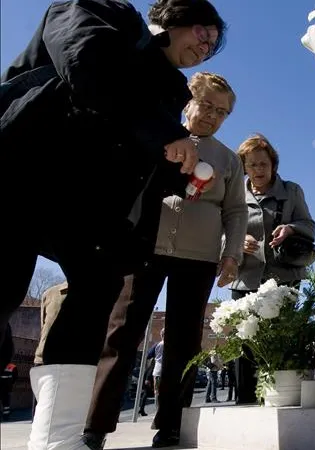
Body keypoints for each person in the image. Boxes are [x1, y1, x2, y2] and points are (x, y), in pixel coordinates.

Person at [0, 0, 227, 447]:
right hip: (21, 173)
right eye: (203, 33)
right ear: (173, 17)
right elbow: (87, 65)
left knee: (97, 289)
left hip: (89, 212)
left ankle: (58, 438)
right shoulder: (99, 12)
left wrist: (179, 177)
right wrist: (167, 134)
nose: (206, 47)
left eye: (214, 47)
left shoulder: (169, 92)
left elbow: (141, 158)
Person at [82, 71, 245, 449]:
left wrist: (232, 254)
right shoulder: (159, 136)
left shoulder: (228, 159)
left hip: (200, 256)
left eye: (221, 112)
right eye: (206, 105)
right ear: (188, 102)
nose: (211, 116)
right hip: (145, 248)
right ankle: (95, 426)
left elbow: (236, 210)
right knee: (121, 331)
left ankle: (172, 425)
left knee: (185, 342)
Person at [230, 134, 315, 403]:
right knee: (246, 344)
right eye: (252, 164)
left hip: (283, 281)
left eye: (263, 164)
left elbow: (309, 227)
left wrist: (291, 228)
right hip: (245, 281)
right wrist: (234, 241)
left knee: (280, 343)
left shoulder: (292, 192)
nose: (258, 170)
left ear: (273, 165)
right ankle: (245, 400)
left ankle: (280, 400)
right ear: (243, 166)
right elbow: (220, 230)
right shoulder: (233, 193)